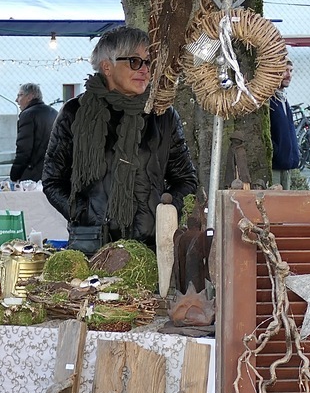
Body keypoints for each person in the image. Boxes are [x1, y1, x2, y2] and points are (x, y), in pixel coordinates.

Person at [41, 26, 197, 254]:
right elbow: (53, 180)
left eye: (148, 62)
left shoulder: (162, 115)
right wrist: (82, 213)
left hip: (150, 248)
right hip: (91, 246)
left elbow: (186, 180)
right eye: (135, 61)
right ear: (107, 66)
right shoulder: (75, 112)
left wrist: (164, 212)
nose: (144, 69)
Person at [11, 83, 58, 182]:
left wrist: (15, 174)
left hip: (33, 175)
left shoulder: (28, 115)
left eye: (20, 95)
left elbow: (24, 149)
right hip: (53, 172)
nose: (16, 100)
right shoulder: (54, 113)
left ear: (30, 97)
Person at [269, 60, 300, 189]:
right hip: (275, 165)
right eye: (284, 70)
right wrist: (276, 152)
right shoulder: (268, 99)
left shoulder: (282, 98)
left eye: (291, 71)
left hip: (286, 163)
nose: (288, 75)